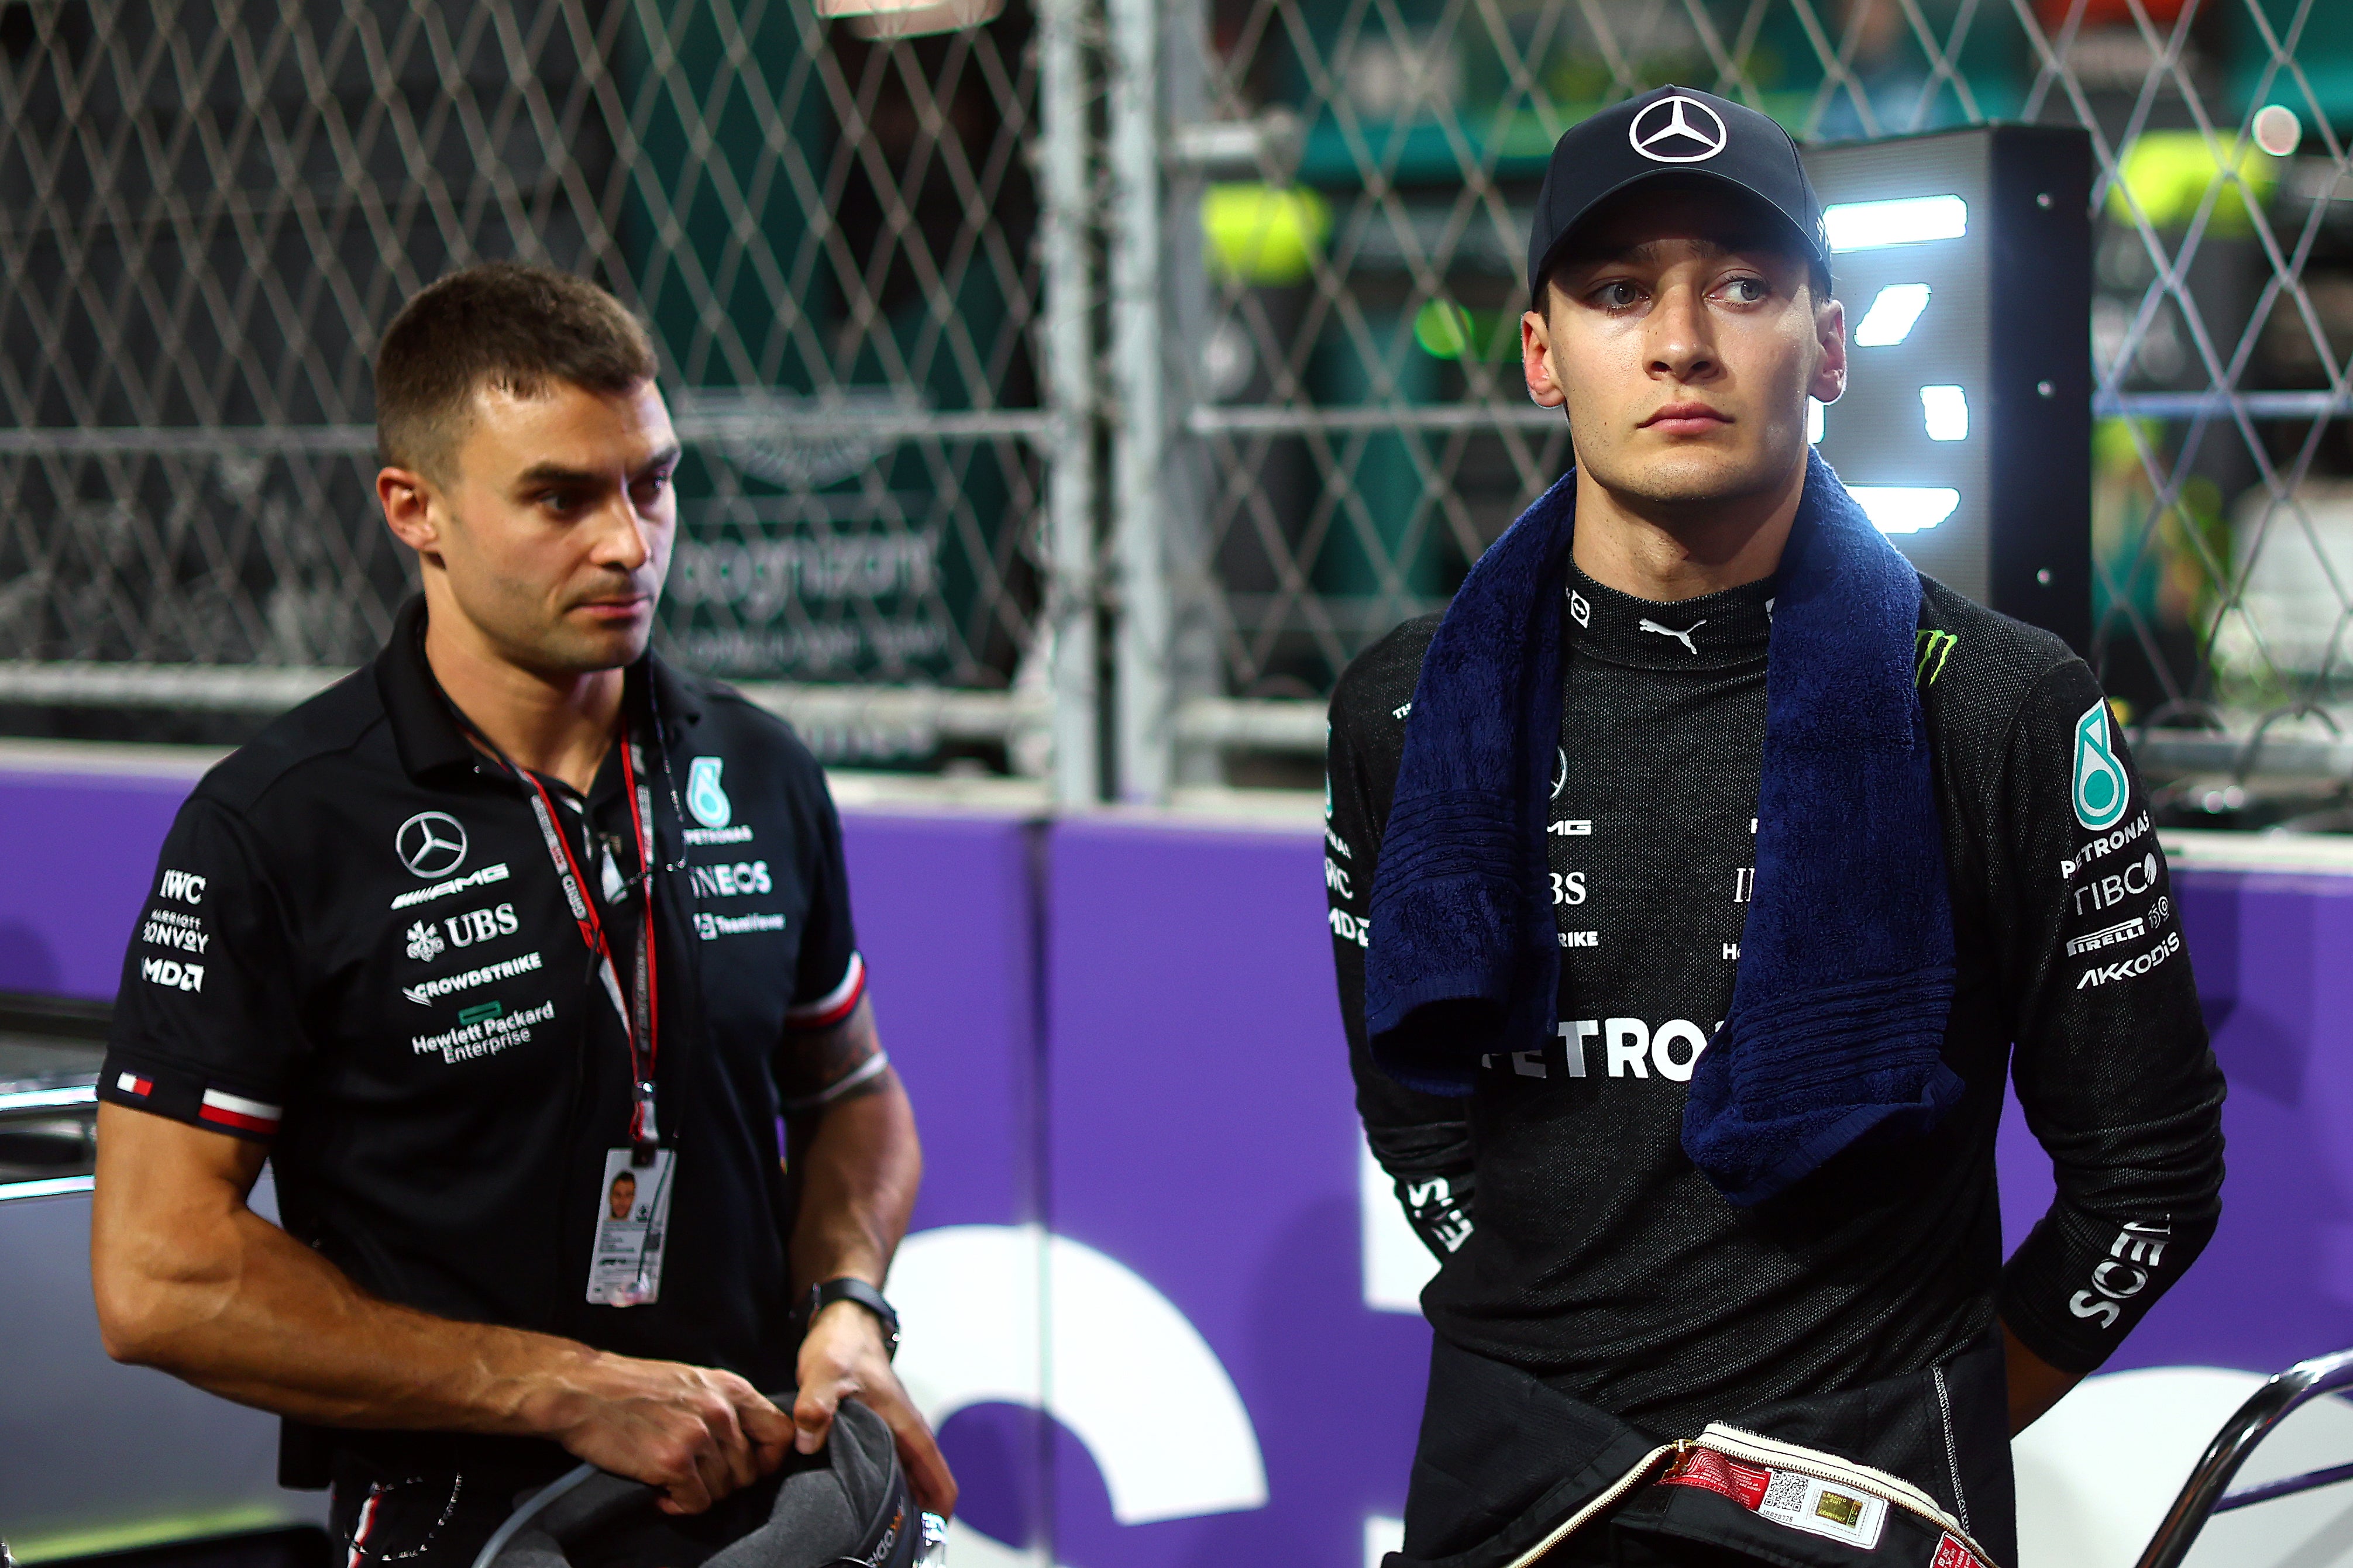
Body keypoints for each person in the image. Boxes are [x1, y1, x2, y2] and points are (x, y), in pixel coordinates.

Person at [1325, 87, 2225, 1568]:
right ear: (1544, 354)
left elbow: (2151, 1183)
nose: (1681, 341)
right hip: (1513, 1480)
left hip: (1865, 1485)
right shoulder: (1403, 711)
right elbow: (1414, 1116)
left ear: (1828, 341)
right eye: (1619, 292)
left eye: (1742, 286)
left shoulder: (2003, 705)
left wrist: (1901, 1424)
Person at [90, 263, 955, 1567]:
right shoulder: (278, 825)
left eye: (651, 483)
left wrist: (847, 1307)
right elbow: (157, 1274)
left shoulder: (759, 766)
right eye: (559, 497)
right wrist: (560, 1385)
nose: (627, 542)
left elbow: (850, 1088)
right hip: (465, 1516)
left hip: (758, 1487)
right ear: (414, 509)